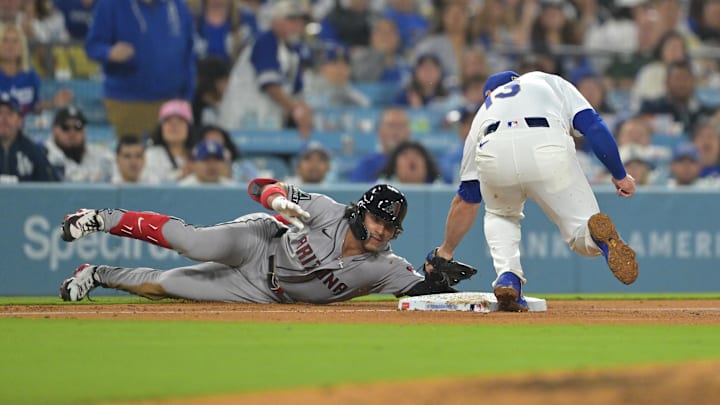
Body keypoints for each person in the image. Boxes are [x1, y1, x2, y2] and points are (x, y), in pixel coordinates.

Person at [427, 70, 640, 312]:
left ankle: (508, 276)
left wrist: (446, 251)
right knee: (580, 229)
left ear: (489, 93)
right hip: (547, 143)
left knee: (500, 214)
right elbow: (593, 126)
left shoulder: (485, 109)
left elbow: (468, 197)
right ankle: (597, 239)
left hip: (494, 147)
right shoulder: (546, 80)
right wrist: (620, 174)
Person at [58, 182, 470, 303]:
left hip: (261, 293)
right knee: (192, 242)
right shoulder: (326, 210)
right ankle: (101, 218)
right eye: (377, 218)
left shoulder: (387, 267)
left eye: (390, 227)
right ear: (361, 210)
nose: (381, 230)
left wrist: (437, 271)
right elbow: (259, 186)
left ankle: (96, 274)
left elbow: (425, 293)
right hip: (259, 242)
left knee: (162, 286)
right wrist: (276, 200)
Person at [85, 0, 195, 138]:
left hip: (171, 102)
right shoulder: (111, 4)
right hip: (128, 101)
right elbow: (92, 47)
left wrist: (187, 96)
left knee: (169, 156)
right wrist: (109, 52)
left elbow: (189, 54)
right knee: (132, 154)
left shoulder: (178, 6)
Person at [217, 0, 313, 137]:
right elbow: (270, 85)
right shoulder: (266, 42)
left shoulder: (293, 53)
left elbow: (298, 93)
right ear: (275, 20)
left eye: (301, 21)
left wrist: (305, 112)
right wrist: (297, 112)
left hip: (266, 125)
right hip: (240, 123)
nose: (297, 26)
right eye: (291, 20)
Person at [45, 105, 114, 182]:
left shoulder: (99, 153)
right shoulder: (44, 156)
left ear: (85, 131)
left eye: (78, 127)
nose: (72, 132)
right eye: (65, 127)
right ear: (54, 131)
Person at [0, 92, 58, 182]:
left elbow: (50, 188)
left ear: (20, 120)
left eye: (10, 113)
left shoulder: (34, 152)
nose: (3, 119)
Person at [349, 107, 411, 183]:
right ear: (380, 131)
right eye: (391, 126)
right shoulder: (367, 165)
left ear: (409, 132)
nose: (396, 132)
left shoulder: (417, 164)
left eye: (401, 126)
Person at [142, 99, 196, 183]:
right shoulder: (151, 155)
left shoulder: (199, 153)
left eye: (180, 121)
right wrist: (180, 176)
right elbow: (150, 185)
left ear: (189, 128)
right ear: (161, 128)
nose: (174, 126)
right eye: (168, 121)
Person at [303, 43, 370, 109]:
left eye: (345, 64)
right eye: (334, 63)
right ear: (322, 67)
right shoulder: (307, 83)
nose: (340, 69)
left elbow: (366, 105)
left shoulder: (347, 91)